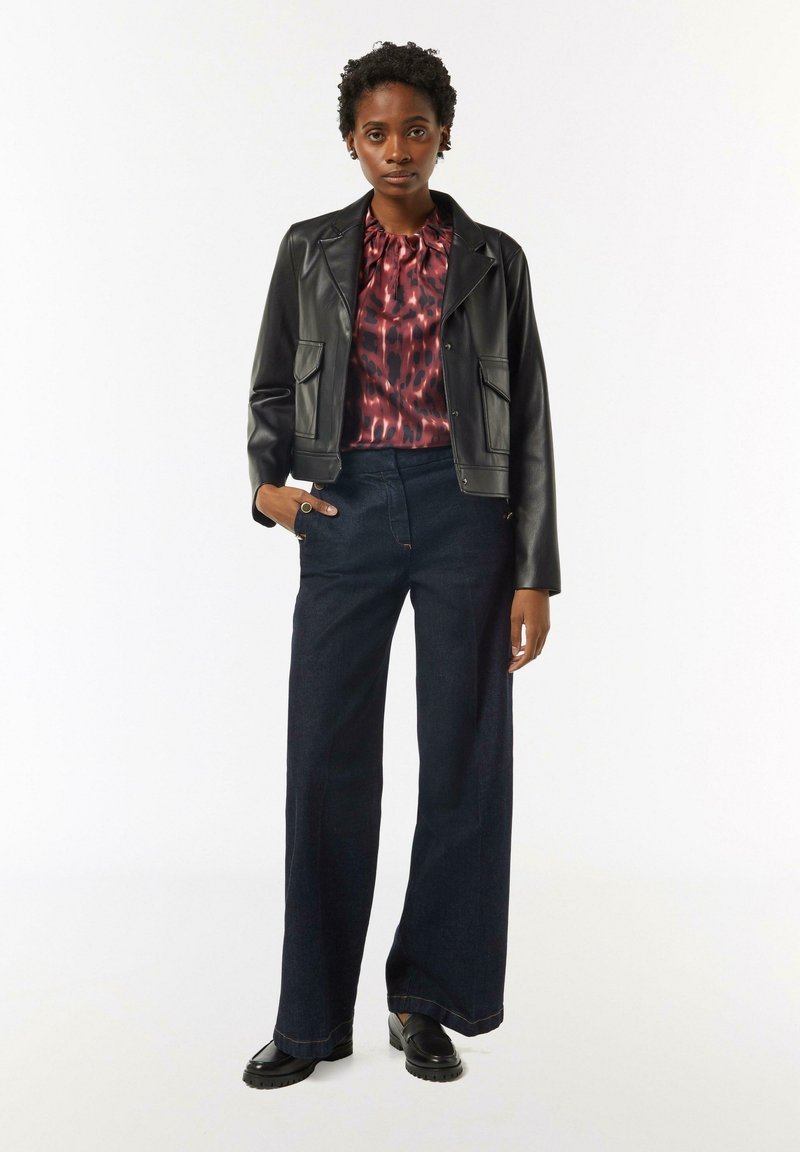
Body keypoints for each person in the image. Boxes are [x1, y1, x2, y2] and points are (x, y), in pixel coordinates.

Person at [242, 40, 561, 1089]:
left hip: (468, 511)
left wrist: (533, 569)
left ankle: (428, 1003)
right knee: (324, 761)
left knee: (463, 758)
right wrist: (267, 484)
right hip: (346, 507)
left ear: (443, 137)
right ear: (350, 140)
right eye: (376, 133)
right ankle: (307, 1019)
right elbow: (272, 385)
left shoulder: (495, 259)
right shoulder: (309, 250)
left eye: (414, 131)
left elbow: (529, 421)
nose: (396, 150)